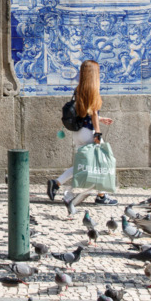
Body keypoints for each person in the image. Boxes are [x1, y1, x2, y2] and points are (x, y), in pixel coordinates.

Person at [47, 59, 116, 204]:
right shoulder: (93, 89)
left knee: (82, 164)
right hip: (89, 132)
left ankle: (56, 183)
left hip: (78, 133)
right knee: (101, 162)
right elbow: (94, 114)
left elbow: (85, 113)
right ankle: (101, 196)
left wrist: (101, 119)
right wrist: (98, 132)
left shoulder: (79, 89)